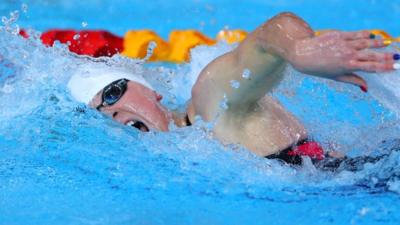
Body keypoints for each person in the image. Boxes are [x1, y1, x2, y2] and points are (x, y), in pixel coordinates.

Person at [68, 12, 398, 171]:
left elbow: (270, 36)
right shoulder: (178, 161)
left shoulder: (209, 107)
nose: (111, 112)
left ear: (150, 90)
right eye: (97, 111)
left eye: (112, 93)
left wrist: (300, 51)